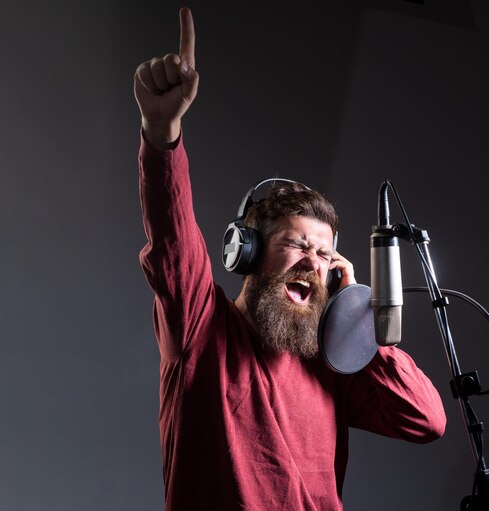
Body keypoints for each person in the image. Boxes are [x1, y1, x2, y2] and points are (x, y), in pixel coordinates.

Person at [135, 8, 446, 511]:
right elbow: (172, 237)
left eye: (325, 253)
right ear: (248, 252)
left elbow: (426, 420)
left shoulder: (331, 363)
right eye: (299, 245)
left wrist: (359, 326)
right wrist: (161, 129)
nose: (313, 262)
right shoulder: (199, 327)